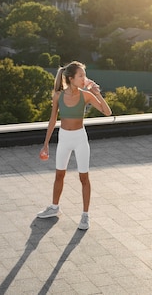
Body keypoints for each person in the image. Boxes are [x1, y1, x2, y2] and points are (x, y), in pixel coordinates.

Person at [37, 61, 112, 229]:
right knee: (59, 175)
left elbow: (107, 112)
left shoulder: (86, 95)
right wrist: (46, 144)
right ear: (71, 78)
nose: (84, 79)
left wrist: (97, 93)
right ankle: (54, 208)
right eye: (81, 76)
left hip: (80, 138)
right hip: (64, 138)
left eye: (84, 75)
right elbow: (52, 120)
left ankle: (85, 216)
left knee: (83, 178)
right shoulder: (58, 96)